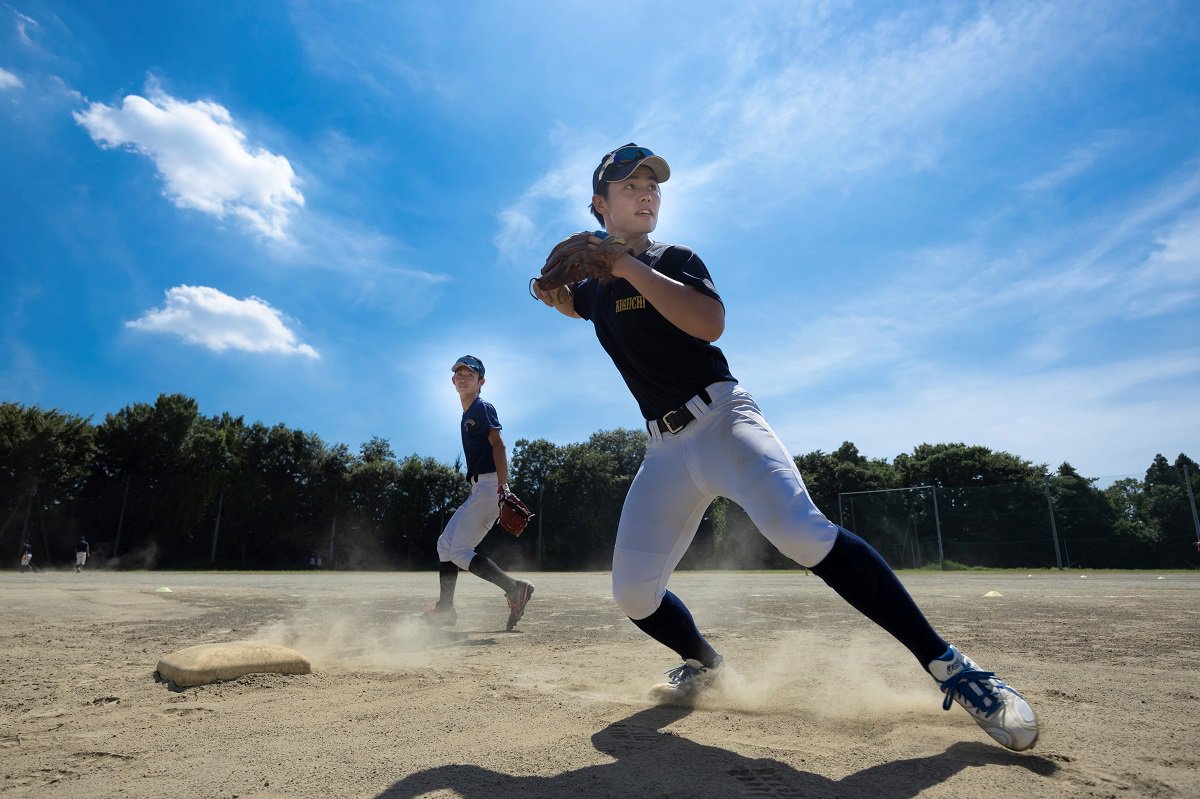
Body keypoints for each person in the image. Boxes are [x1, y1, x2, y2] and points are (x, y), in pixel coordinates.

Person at [531, 143, 1040, 751]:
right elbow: (568, 301)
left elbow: (708, 324)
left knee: (800, 531)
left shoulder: (672, 259)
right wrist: (544, 289)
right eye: (629, 185)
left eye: (654, 186)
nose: (647, 193)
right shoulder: (597, 291)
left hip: (722, 420)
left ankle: (955, 670)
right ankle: (707, 667)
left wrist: (625, 264)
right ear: (599, 204)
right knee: (633, 593)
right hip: (664, 450)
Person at [425, 355, 534, 631]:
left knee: (460, 551)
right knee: (444, 545)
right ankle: (446, 610)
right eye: (459, 374)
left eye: (469, 374)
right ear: (452, 381)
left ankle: (514, 588)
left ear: (480, 381)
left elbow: (498, 445)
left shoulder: (482, 407)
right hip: (479, 488)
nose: (463, 378)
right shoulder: (467, 413)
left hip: (489, 486)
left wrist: (502, 486)